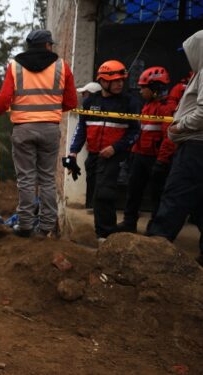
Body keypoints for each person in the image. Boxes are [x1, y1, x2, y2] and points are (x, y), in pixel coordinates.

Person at [0, 29, 77, 238]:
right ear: (48, 45)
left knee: (26, 179)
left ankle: (24, 225)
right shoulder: (61, 66)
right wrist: (50, 110)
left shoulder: (15, 66)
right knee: (47, 179)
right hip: (49, 129)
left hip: (23, 129)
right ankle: (46, 226)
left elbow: (3, 100)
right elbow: (71, 102)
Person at [148, 30, 203, 267]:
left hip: (195, 145)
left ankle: (154, 249)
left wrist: (180, 127)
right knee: (200, 203)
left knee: (175, 194)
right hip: (196, 144)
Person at [68, 60, 140, 241]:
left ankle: (105, 235)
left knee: (104, 194)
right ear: (102, 81)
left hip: (114, 156)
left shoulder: (129, 102)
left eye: (121, 80)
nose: (120, 84)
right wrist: (73, 152)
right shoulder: (90, 102)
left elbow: (135, 132)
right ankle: (105, 232)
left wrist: (115, 148)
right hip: (93, 156)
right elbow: (81, 129)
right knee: (97, 196)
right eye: (115, 80)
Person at [116, 66, 178, 233]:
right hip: (140, 155)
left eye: (144, 87)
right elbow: (142, 131)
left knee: (158, 195)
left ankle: (156, 228)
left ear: (155, 88)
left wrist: (162, 160)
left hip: (156, 158)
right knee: (133, 191)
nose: (140, 90)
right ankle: (129, 222)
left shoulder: (167, 108)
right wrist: (133, 152)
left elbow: (170, 137)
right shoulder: (147, 105)